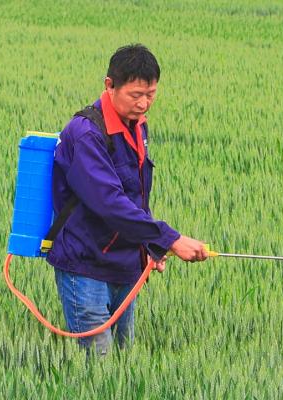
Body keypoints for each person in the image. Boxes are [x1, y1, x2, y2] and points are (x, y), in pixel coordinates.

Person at [47, 44, 207, 354]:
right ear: (110, 85)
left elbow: (136, 197)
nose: (145, 103)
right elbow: (110, 203)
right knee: (100, 367)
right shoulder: (85, 134)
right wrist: (170, 239)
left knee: (123, 362)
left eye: (151, 94)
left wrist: (150, 245)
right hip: (86, 266)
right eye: (136, 95)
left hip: (125, 266)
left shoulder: (137, 126)